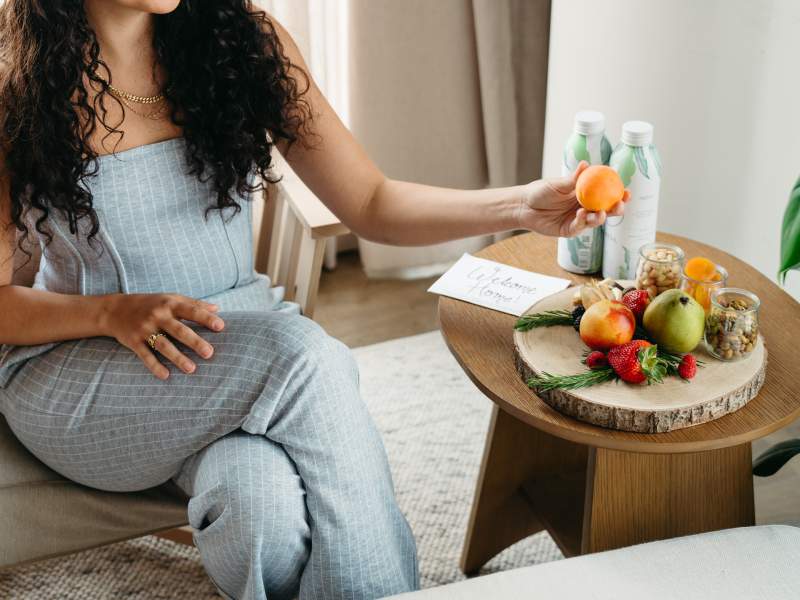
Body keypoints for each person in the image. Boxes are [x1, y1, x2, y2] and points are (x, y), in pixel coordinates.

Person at [0, 1, 627, 598]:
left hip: (230, 350)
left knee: (259, 507)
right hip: (82, 369)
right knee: (305, 356)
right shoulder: (18, 87)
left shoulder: (240, 42)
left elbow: (372, 203)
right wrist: (114, 312)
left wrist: (520, 206)